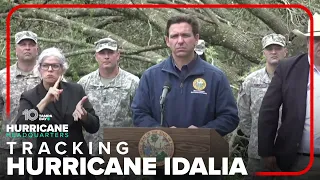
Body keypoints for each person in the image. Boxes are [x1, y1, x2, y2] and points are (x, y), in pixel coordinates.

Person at [131, 14, 239, 179]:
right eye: (174, 36)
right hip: (163, 164)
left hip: (204, 165)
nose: (180, 41)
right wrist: (163, 132)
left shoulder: (215, 76)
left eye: (185, 35)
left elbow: (230, 117)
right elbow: (139, 114)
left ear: (196, 38)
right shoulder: (151, 76)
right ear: (167, 41)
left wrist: (202, 133)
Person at [16, 47, 99, 180]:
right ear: (39, 69)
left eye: (55, 66)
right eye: (45, 66)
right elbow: (22, 128)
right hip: (47, 166)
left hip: (78, 165)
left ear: (62, 69)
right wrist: (44, 102)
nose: (50, 70)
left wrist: (84, 116)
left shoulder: (76, 90)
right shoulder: (29, 96)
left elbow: (94, 127)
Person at [258, 13, 320, 179]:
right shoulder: (289, 68)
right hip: (299, 161)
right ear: (308, 42)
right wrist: (266, 151)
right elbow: (268, 110)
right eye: (316, 39)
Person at [77, 37, 139, 180]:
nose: (106, 56)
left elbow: (139, 116)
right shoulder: (84, 83)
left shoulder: (133, 82)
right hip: (92, 150)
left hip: (122, 151)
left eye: (110, 52)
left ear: (118, 55)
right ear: (96, 56)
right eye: (102, 53)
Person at [237, 33, 288, 179]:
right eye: (269, 48)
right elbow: (243, 115)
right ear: (264, 52)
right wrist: (256, 136)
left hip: (287, 153)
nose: (273, 52)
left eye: (277, 48)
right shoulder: (251, 81)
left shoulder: (294, 80)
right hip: (257, 154)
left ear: (285, 51)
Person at [0, 30, 41, 179]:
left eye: (31, 44)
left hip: (42, 145)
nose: (27, 48)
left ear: (37, 49)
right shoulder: (3, 77)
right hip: (10, 146)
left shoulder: (49, 74)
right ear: (16, 49)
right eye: (23, 44)